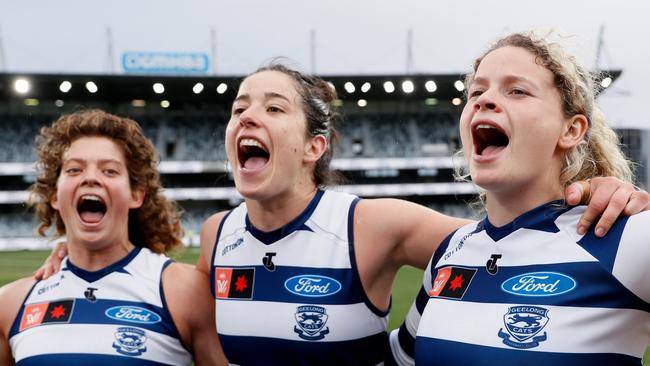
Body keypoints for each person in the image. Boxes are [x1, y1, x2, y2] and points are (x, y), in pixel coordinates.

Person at [35, 64, 650, 365]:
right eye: (239, 107)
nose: (247, 117)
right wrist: (73, 259)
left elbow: (505, 245)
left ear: (313, 146)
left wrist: (592, 189)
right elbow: (167, 306)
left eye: (273, 108)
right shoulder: (216, 234)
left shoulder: (373, 223)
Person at [389, 32, 650, 365]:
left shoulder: (622, 237)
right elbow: (400, 357)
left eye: (517, 91)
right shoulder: (451, 250)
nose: (484, 100)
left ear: (571, 130)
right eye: (476, 92)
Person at [0, 110, 227, 365]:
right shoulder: (10, 304)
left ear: (136, 195)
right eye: (74, 169)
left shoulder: (185, 292)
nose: (90, 178)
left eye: (109, 171)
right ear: (54, 195)